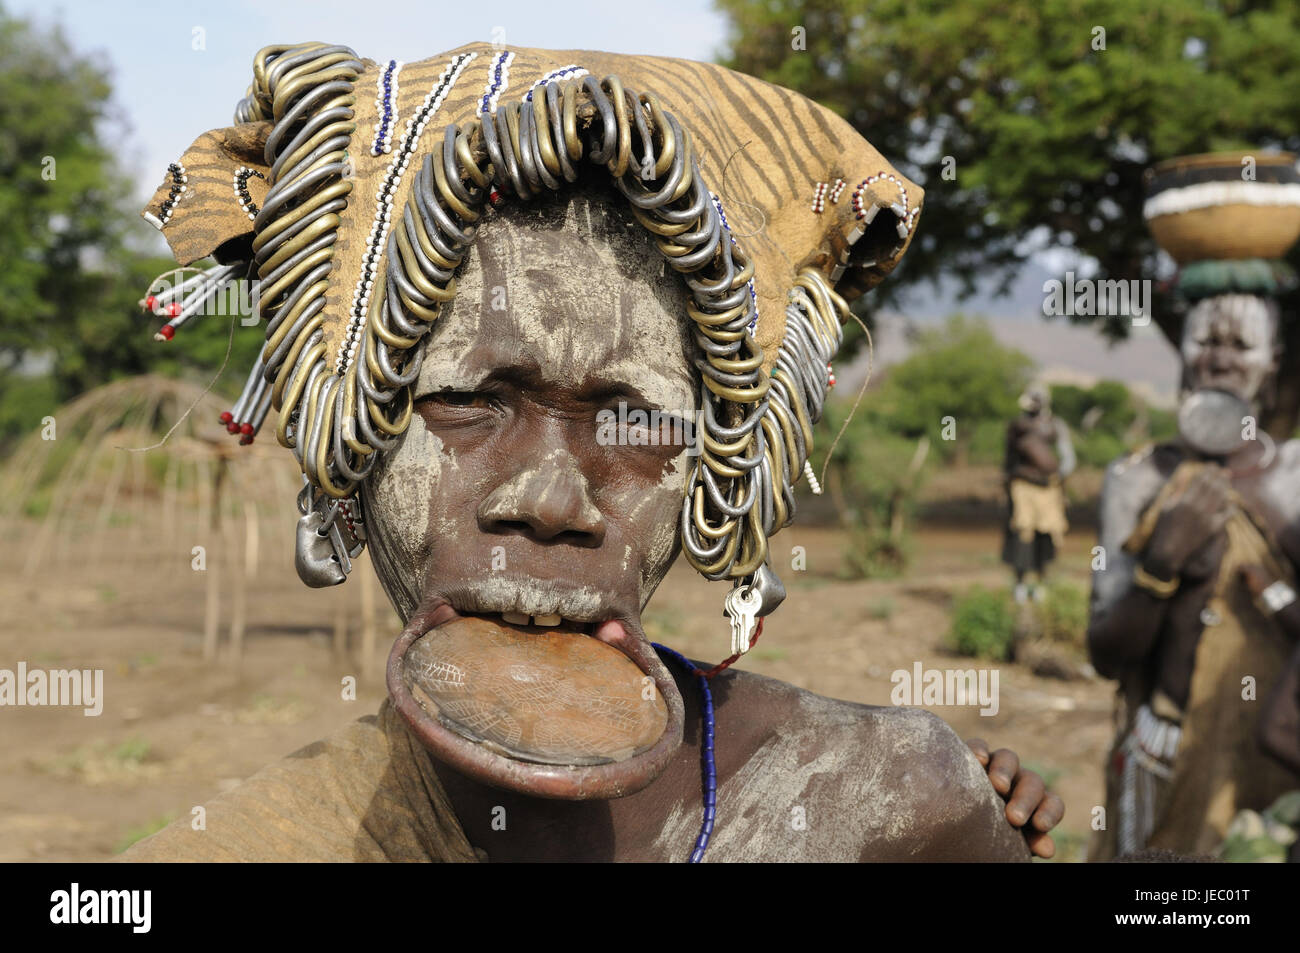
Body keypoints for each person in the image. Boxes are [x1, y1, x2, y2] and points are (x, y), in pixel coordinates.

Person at [123, 41, 1062, 862]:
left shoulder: (892, 804)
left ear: (723, 476)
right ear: (347, 459)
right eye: (469, 404)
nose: (551, 498)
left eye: (636, 421)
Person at [1088, 290, 1300, 859]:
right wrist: (1162, 561)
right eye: (1207, 339)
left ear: (1273, 360)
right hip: (1165, 749)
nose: (1222, 358)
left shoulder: (1295, 477)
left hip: (1281, 754)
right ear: (1181, 348)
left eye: (1242, 344)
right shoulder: (1135, 478)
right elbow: (1107, 654)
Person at [1002, 385, 1074, 603]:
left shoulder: (1055, 425)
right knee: (1023, 533)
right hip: (1023, 487)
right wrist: (1009, 481)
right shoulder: (1018, 426)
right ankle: (1021, 585)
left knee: (1047, 534)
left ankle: (1041, 584)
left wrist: (1058, 479)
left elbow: (1067, 457)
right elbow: (1009, 458)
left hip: (1048, 489)